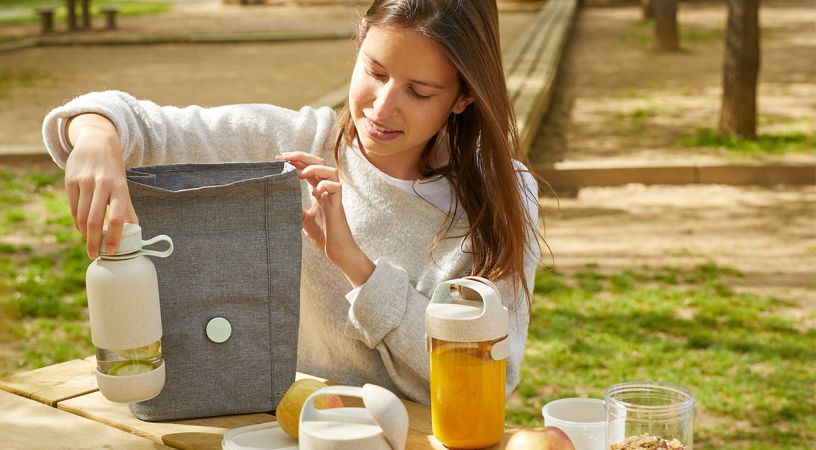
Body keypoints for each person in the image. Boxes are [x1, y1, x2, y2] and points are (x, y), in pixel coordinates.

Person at [42, 0, 542, 405]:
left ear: (463, 98)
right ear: (360, 42)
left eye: (419, 92)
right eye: (375, 71)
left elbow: (491, 379)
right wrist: (95, 138)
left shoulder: (502, 197)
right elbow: (136, 122)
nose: (382, 107)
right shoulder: (293, 141)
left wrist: (359, 269)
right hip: (282, 430)